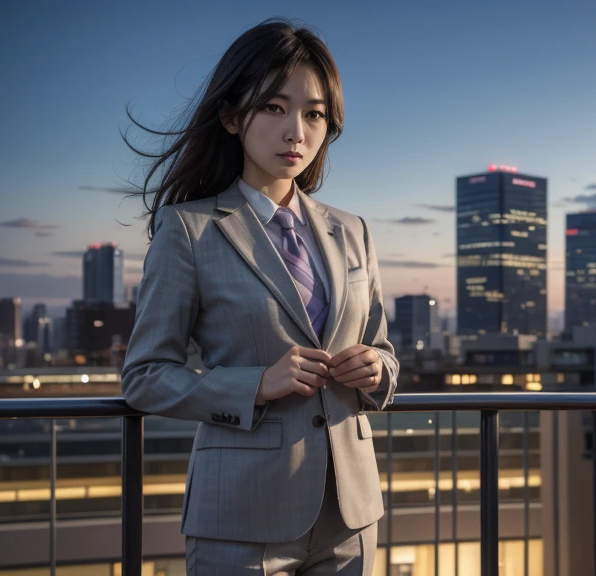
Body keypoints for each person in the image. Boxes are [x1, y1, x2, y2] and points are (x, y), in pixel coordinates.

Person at [120, 18, 398, 575]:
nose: (296, 131)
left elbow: (384, 351)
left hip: (350, 515)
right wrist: (256, 385)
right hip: (241, 519)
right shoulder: (190, 230)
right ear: (231, 116)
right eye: (274, 107)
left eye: (314, 113)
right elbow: (145, 375)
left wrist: (377, 370)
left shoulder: (354, 230)